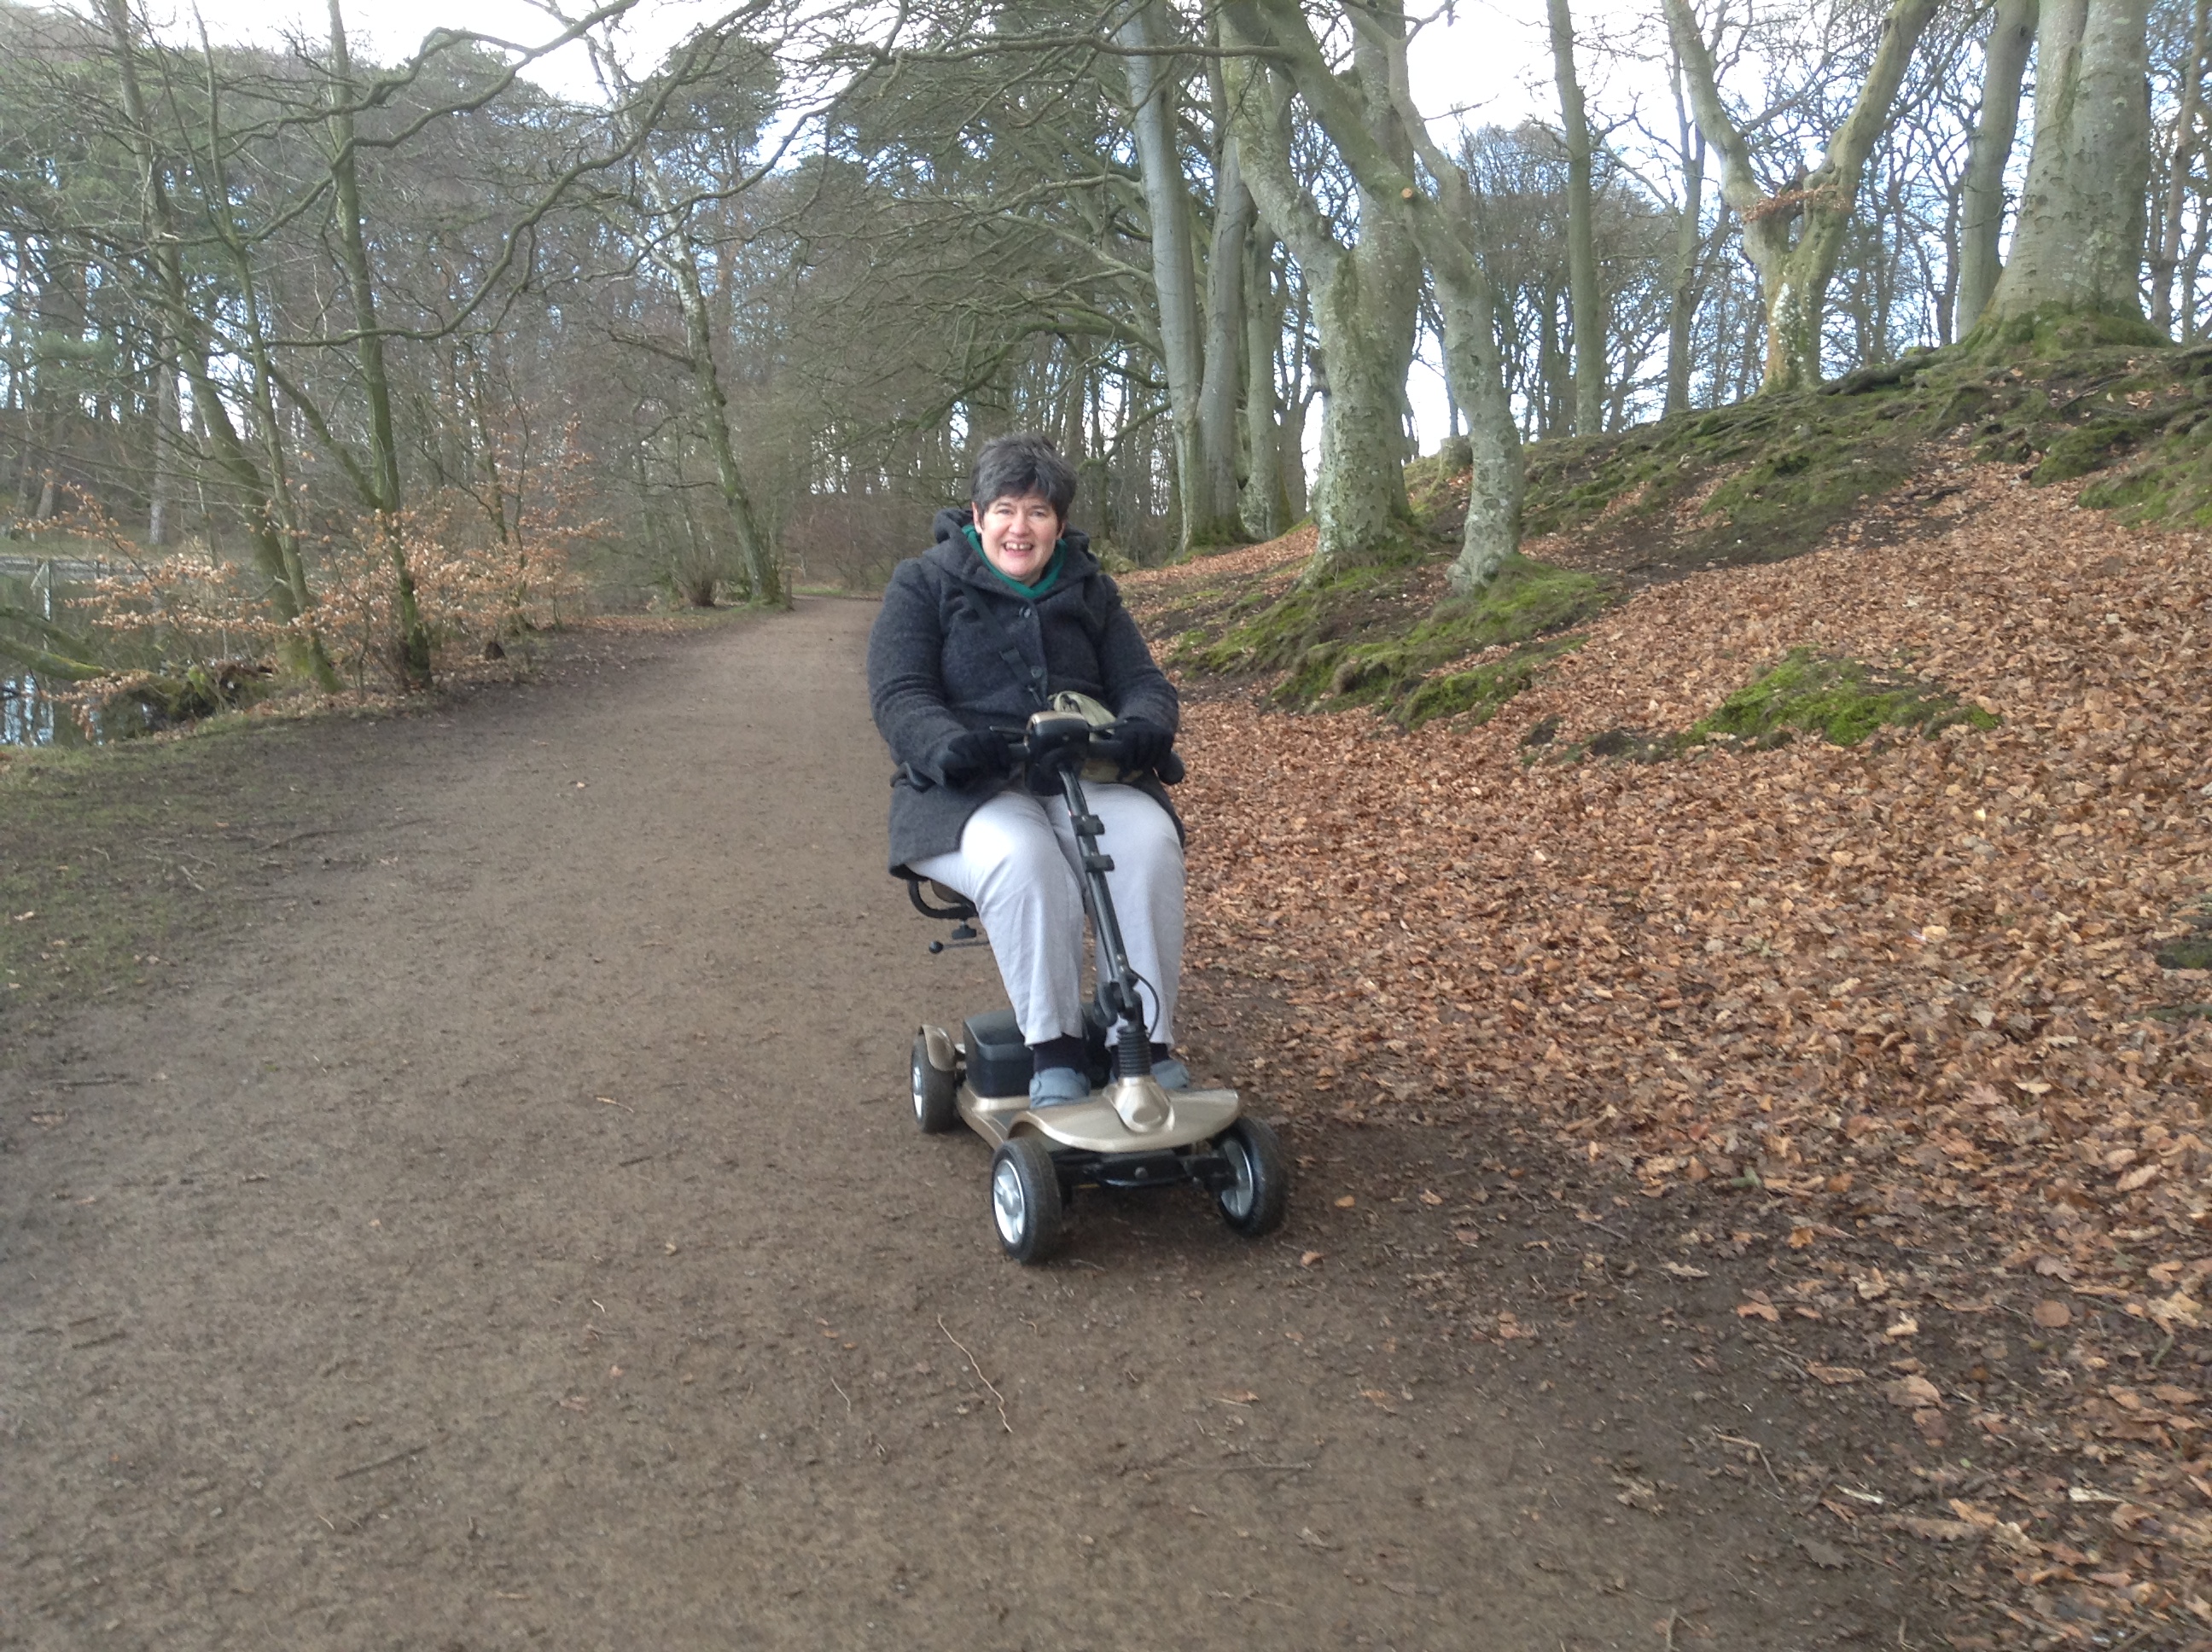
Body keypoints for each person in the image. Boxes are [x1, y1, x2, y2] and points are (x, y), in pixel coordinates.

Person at [867, 433, 1189, 1105]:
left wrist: (1144, 728)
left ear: (1059, 525)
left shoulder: (1092, 589)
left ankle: (1148, 1044)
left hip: (1084, 772)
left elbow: (1143, 682)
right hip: (971, 788)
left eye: (1039, 513)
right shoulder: (923, 583)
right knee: (1025, 859)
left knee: (1149, 843)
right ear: (978, 515)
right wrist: (946, 744)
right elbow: (901, 695)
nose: (1021, 527)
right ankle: (1054, 1051)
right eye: (1006, 509)